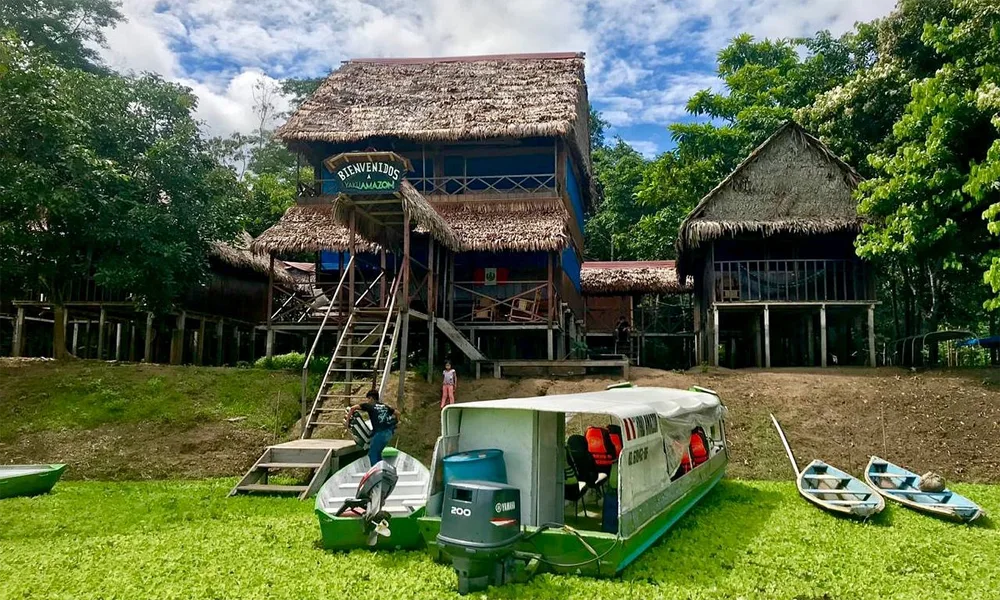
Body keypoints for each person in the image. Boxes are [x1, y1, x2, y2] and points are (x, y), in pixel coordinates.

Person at [347, 386, 398, 465]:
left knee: (372, 454)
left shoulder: (369, 405)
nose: (367, 401)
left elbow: (352, 408)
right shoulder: (385, 406)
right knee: (378, 452)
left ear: (371, 398)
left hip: (381, 433)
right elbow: (397, 413)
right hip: (390, 432)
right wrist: (397, 422)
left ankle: (376, 471)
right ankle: (381, 468)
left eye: (368, 399)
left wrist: (347, 423)